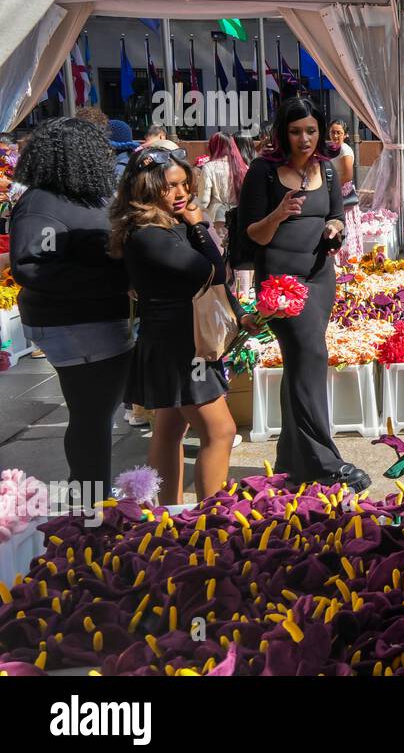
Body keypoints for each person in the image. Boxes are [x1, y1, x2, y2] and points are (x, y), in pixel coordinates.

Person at [238, 96, 370, 491]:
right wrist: (277, 214)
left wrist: (334, 230)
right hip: (281, 284)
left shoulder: (327, 171)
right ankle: (324, 462)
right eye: (296, 132)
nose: (305, 139)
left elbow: (336, 216)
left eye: (311, 130)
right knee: (311, 355)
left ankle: (291, 459)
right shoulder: (262, 172)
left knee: (300, 363)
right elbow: (251, 234)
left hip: (320, 279)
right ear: (283, 133)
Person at [110, 146, 247, 503]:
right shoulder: (150, 234)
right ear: (146, 188)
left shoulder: (162, 227)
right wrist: (200, 225)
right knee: (221, 431)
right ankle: (210, 520)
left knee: (169, 429)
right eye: (170, 186)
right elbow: (212, 271)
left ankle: (167, 517)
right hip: (181, 346)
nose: (182, 193)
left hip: (175, 340)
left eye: (185, 184)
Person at [9, 118, 133, 494]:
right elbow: (34, 267)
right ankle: (91, 504)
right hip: (76, 326)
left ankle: (89, 495)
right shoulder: (42, 203)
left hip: (99, 320)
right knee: (92, 415)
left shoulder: (86, 195)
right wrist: (114, 281)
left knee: (95, 413)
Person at [197, 132, 248, 248]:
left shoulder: (209, 167)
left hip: (217, 217)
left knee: (221, 250)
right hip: (238, 215)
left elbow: (203, 200)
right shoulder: (244, 167)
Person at [328, 119, 363, 258]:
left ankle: (348, 259)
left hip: (342, 193)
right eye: (332, 132)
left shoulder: (345, 150)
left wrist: (330, 185)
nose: (335, 136)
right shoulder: (330, 148)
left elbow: (347, 176)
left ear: (346, 135)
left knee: (345, 226)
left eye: (339, 133)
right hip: (333, 191)